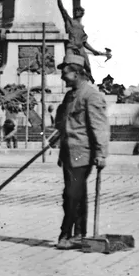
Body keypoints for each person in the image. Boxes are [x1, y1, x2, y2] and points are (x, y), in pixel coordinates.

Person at [54, 53, 109, 250]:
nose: (62, 77)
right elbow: (63, 122)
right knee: (76, 194)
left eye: (65, 73)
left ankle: (66, 234)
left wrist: (101, 153)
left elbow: (99, 126)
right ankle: (79, 234)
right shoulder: (70, 95)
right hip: (68, 153)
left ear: (77, 73)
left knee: (72, 194)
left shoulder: (91, 95)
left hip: (82, 153)